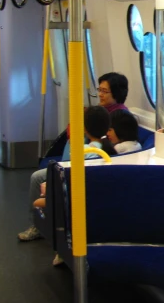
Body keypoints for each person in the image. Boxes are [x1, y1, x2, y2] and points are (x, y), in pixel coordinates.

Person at [19, 106, 114, 265]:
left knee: (37, 178)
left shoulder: (84, 149)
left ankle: (39, 225)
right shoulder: (107, 146)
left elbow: (64, 165)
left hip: (71, 184)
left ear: (85, 127)